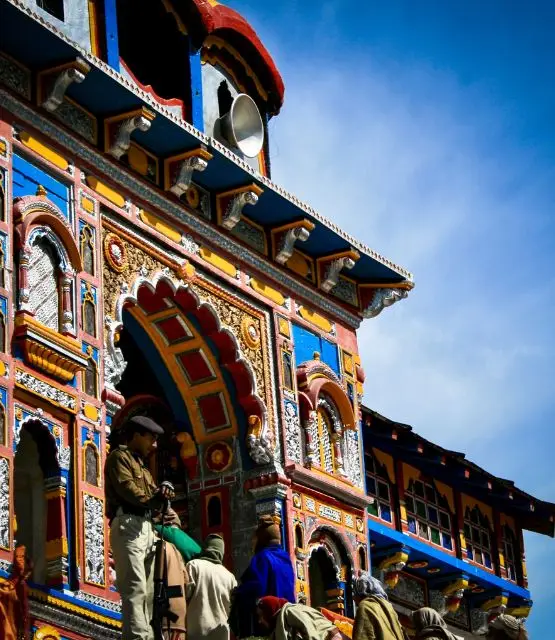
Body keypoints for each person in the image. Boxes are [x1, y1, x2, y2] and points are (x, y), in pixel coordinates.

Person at [104, 415, 174, 640]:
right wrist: (154, 499)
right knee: (135, 587)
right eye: (151, 438)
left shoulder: (142, 466)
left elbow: (153, 495)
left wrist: (164, 494)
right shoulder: (119, 457)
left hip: (145, 527)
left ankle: (146, 635)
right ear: (137, 435)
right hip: (129, 524)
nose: (154, 445)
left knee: (149, 591)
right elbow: (128, 490)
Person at [229, 515, 296, 638]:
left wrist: (237, 592)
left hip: (267, 622)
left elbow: (255, 587)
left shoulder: (262, 557)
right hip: (287, 619)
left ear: (262, 539)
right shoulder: (286, 558)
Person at [186, 534, 237, 640]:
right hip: (221, 634)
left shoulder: (193, 565)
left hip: (196, 632)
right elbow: (234, 608)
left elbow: (185, 596)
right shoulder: (230, 577)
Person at [256, 595, 344, 640]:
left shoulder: (291, 612)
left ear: (270, 612)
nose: (259, 621)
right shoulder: (280, 623)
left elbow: (311, 632)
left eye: (261, 616)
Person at [352, 573, 406, 640]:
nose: (353, 598)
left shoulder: (366, 606)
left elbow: (362, 636)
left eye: (355, 593)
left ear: (361, 591)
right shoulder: (391, 609)